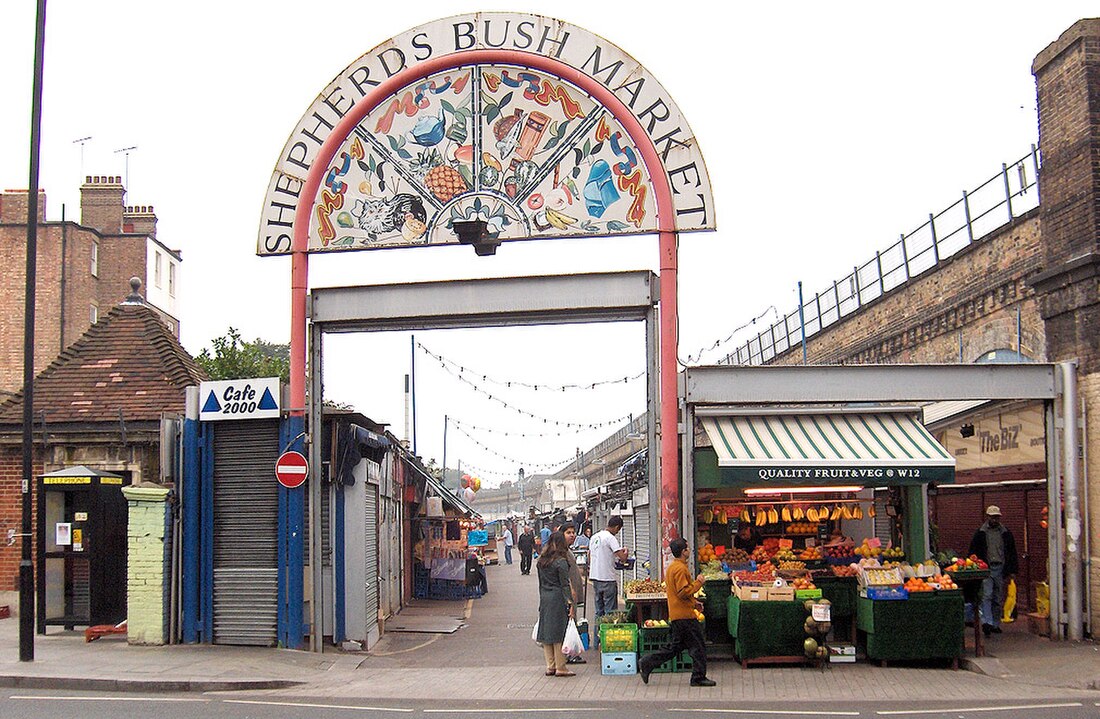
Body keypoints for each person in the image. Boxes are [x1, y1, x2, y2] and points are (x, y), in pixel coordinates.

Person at [638, 537, 715, 687]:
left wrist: (694, 602)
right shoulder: (680, 569)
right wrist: (699, 582)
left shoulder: (674, 567)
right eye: (687, 548)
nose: (689, 550)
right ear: (683, 552)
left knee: (675, 647)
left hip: (678, 613)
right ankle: (698, 677)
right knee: (698, 646)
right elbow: (682, 592)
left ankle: (647, 663)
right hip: (684, 616)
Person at [968, 505, 1019, 637]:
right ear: (988, 517)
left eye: (996, 517)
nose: (994, 520)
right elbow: (973, 551)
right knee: (987, 594)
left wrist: (1012, 570)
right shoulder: (980, 533)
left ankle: (995, 623)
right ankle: (987, 622)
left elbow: (1012, 552)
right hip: (987, 568)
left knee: (997, 596)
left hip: (1000, 567)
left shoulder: (1005, 533)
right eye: (992, 517)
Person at [535, 531, 576, 677]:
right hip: (558, 598)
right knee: (559, 632)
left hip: (545, 597)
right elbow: (564, 584)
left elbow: (540, 584)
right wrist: (570, 602)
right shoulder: (561, 561)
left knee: (547, 632)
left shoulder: (541, 561)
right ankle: (561, 667)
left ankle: (550, 666)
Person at [589, 516, 629, 627]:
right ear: (616, 527)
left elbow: (590, 556)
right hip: (608, 579)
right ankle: (607, 641)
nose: (617, 532)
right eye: (618, 530)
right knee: (610, 613)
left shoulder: (594, 537)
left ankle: (598, 641)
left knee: (599, 612)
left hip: (596, 579)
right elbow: (622, 558)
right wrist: (625, 551)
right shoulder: (610, 538)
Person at [562, 524, 587, 665]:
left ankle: (571, 653)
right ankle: (569, 654)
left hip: (574, 593)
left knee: (572, 622)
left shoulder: (567, 550)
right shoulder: (561, 552)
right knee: (570, 623)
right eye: (568, 533)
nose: (572, 535)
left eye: (573, 532)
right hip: (569, 595)